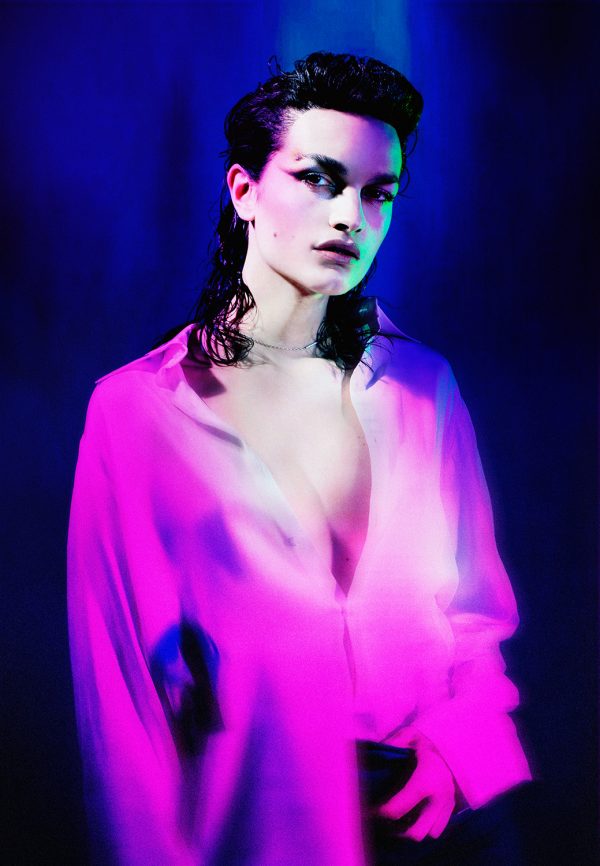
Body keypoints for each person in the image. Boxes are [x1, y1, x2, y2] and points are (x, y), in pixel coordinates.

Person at [67, 51, 531, 866]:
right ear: (244, 190)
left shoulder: (422, 388)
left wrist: (458, 753)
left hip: (448, 819)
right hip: (268, 826)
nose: (352, 216)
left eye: (379, 192)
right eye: (321, 179)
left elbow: (475, 614)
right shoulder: (137, 414)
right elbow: (123, 700)